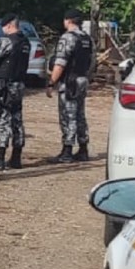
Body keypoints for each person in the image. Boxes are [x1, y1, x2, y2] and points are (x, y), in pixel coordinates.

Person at [45, 8, 94, 162]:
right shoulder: (87, 38)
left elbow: (60, 63)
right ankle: (83, 148)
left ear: (67, 21)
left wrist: (51, 82)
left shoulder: (67, 38)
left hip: (70, 82)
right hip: (82, 79)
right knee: (80, 115)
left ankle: (67, 151)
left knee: (68, 115)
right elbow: (92, 62)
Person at [0, 13, 28, 170]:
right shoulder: (25, 41)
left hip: (5, 85)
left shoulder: (7, 41)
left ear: (8, 25)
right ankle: (16, 158)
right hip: (19, 85)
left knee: (2, 119)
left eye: (3, 27)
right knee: (17, 121)